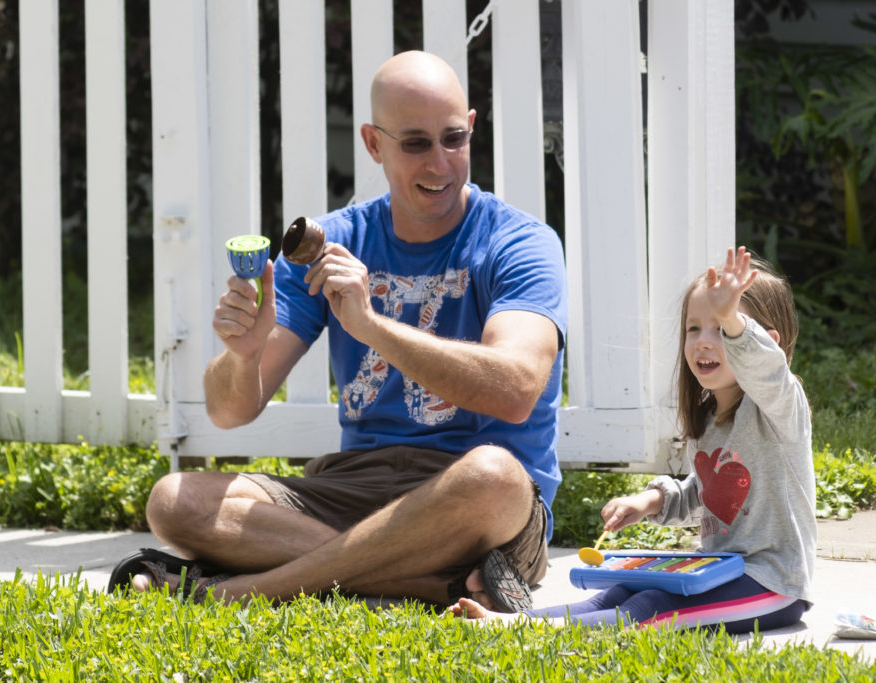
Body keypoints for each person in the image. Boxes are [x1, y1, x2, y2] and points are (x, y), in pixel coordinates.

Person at [108, 50, 567, 610]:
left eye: (453, 139)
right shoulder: (331, 240)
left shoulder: (520, 242)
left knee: (494, 475)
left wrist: (372, 327)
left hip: (475, 505)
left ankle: (239, 591)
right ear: (374, 144)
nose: (441, 164)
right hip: (356, 488)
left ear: (471, 128)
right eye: (415, 143)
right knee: (175, 500)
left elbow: (516, 391)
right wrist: (244, 356)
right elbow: (230, 410)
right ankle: (426, 585)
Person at [451, 247, 815, 632]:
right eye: (694, 328)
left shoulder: (780, 408)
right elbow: (710, 495)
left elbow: (766, 369)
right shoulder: (710, 421)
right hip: (719, 573)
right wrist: (651, 500)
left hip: (772, 585)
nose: (703, 342)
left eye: (722, 328)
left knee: (652, 608)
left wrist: (733, 319)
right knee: (621, 592)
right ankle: (515, 622)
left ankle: (523, 631)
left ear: (766, 343)